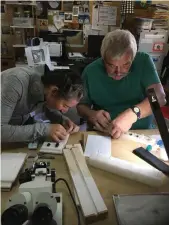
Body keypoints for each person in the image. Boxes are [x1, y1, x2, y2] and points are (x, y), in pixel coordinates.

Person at [77, 29, 166, 139]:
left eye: (126, 65)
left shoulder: (143, 61)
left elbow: (159, 97)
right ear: (103, 58)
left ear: (133, 58)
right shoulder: (90, 71)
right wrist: (91, 114)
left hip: (140, 133)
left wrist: (133, 114)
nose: (118, 72)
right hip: (103, 134)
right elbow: (81, 106)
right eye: (111, 65)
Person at [1, 65, 83, 143]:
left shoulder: (45, 88)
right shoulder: (15, 82)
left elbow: (45, 105)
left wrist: (62, 119)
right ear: (54, 91)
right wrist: (45, 129)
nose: (65, 111)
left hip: (18, 126)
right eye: (65, 105)